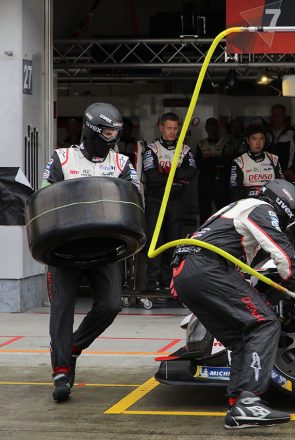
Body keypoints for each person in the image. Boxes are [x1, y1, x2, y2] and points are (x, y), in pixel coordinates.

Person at [171, 179, 295, 429]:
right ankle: (250, 402)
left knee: (243, 337)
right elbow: (282, 251)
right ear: (286, 207)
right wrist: (294, 293)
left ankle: (237, 405)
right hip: (208, 268)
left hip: (185, 272)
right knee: (265, 324)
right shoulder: (260, 208)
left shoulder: (234, 209)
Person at [41, 103, 141, 402]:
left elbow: (135, 197)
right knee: (62, 308)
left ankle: (72, 347)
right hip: (66, 247)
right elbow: (44, 196)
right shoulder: (62, 158)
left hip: (103, 247)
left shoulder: (122, 163)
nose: (114, 138)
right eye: (108, 132)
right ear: (93, 130)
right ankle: (61, 371)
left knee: (111, 305)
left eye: (116, 132)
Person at [142, 112, 197, 291]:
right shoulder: (152, 149)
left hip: (176, 200)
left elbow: (191, 173)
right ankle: (153, 281)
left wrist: (165, 174)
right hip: (155, 200)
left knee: (173, 240)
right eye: (169, 128)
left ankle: (168, 281)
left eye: (175, 128)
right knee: (155, 240)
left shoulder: (185, 150)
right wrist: (176, 177)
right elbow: (152, 177)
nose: (172, 132)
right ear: (161, 128)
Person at [195, 117, 244, 222]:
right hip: (205, 182)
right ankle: (203, 232)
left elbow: (227, 162)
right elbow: (198, 164)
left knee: (223, 211)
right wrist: (216, 162)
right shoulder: (201, 144)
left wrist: (209, 161)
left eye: (214, 126)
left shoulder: (226, 142)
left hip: (221, 182)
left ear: (218, 128)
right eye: (210, 127)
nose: (212, 129)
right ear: (206, 129)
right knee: (204, 212)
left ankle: (222, 231)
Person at [229, 124, 283, 202]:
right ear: (247, 141)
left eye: (261, 139)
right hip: (248, 204)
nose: (258, 142)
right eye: (254, 139)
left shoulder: (274, 159)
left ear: (265, 140)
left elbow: (281, 185)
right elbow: (234, 191)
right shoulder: (239, 162)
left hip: (270, 203)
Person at [267, 104, 295, 179]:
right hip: (269, 173)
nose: (276, 118)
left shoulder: (291, 133)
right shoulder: (267, 133)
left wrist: (291, 170)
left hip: (286, 173)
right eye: (274, 115)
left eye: (279, 115)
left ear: (284, 116)